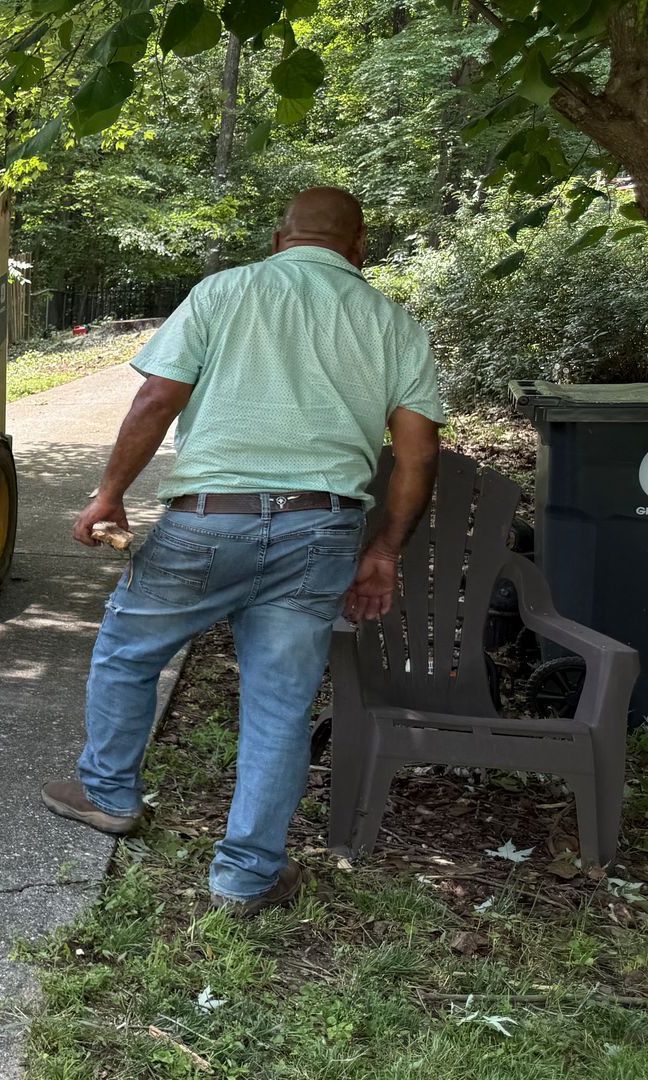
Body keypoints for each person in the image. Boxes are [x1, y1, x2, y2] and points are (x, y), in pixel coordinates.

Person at [40, 187, 446, 915]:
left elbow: (156, 400)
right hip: (323, 530)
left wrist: (108, 493)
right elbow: (417, 457)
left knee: (130, 652)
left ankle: (108, 794)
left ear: (277, 238)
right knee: (281, 704)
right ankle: (246, 876)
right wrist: (384, 548)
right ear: (359, 250)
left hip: (208, 521)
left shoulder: (224, 291)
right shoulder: (393, 324)